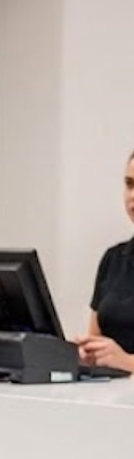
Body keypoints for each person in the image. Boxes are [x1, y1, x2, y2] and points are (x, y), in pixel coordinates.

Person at [77, 148, 134, 373]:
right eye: (129, 184)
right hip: (110, 400)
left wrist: (128, 362)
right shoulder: (113, 259)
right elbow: (95, 338)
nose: (132, 196)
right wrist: (88, 353)